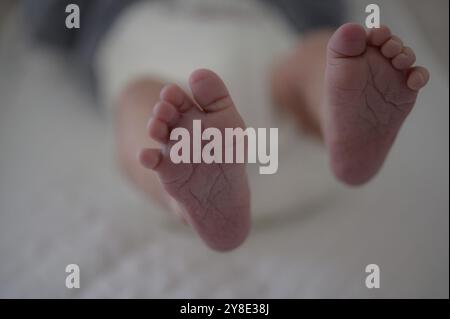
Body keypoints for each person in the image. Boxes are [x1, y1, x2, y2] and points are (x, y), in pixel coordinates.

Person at [24, 0, 429, 251]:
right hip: (214, 44)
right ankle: (191, 184)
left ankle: (338, 115)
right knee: (144, 101)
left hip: (232, 34)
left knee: (143, 103)